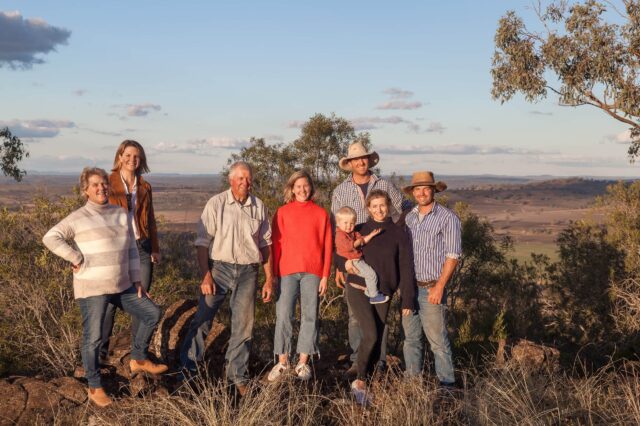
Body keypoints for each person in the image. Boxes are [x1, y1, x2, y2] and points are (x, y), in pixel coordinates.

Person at [42, 167, 167, 408]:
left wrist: (137, 279)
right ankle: (94, 385)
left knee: (152, 312)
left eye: (104, 184)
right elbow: (51, 237)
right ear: (85, 190)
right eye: (95, 185)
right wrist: (75, 257)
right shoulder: (78, 217)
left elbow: (132, 248)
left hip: (122, 284)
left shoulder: (121, 214)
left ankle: (138, 358)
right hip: (93, 287)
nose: (101, 188)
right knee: (94, 337)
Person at [178, 161, 273, 395]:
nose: (245, 182)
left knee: (243, 326)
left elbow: (266, 244)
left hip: (249, 271)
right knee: (203, 318)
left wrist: (269, 278)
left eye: (248, 178)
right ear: (231, 181)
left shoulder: (258, 206)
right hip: (219, 269)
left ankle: (237, 376)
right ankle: (188, 371)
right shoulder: (216, 204)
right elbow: (202, 243)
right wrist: (206, 275)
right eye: (240, 178)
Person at [331, 141, 407, 372]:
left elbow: (404, 209)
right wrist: (340, 266)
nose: (361, 162)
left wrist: (396, 233)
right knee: (357, 316)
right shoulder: (340, 191)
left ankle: (380, 362)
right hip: (355, 260)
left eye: (364, 158)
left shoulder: (384, 184)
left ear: (369, 160)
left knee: (380, 318)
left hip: (380, 259)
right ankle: (358, 361)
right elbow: (337, 232)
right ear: (350, 163)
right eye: (356, 159)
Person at [336, 189, 414, 405]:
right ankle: (359, 381)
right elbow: (339, 252)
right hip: (358, 289)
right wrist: (345, 265)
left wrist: (407, 299)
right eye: (374, 206)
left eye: (383, 205)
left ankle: (366, 382)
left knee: (378, 337)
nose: (379, 209)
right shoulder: (359, 229)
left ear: (388, 206)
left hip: (384, 293)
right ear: (368, 208)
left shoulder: (399, 233)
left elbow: (406, 268)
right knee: (370, 333)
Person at [267, 171, 333, 382]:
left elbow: (328, 246)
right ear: (291, 189)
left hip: (313, 271)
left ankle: (303, 363)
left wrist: (325, 276)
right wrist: (274, 275)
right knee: (284, 315)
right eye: (298, 186)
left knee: (310, 316)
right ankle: (283, 361)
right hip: (286, 271)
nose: (302, 190)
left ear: (311, 188)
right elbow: (275, 244)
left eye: (305, 186)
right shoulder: (282, 212)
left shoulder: (321, 214)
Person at [100, 139, 160, 363]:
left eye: (136, 156)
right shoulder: (107, 182)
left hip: (141, 247)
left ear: (141, 160)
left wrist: (155, 247)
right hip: (117, 249)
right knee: (108, 304)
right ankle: (101, 355)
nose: (132, 160)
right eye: (128, 155)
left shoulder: (145, 186)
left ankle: (138, 356)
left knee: (140, 300)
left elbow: (151, 219)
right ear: (119, 157)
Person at [400, 171, 461, 387]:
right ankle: (412, 383)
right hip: (409, 289)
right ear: (413, 192)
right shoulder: (408, 217)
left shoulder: (447, 218)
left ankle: (447, 386)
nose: (422, 193)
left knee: (438, 342)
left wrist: (439, 287)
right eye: (418, 189)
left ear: (434, 191)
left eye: (426, 188)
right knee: (411, 339)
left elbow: (453, 255)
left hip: (431, 288)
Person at [334, 206, 387, 304]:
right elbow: (349, 247)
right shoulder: (340, 235)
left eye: (352, 223)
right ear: (338, 223)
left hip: (357, 259)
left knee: (369, 274)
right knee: (371, 275)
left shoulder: (353, 233)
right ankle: (374, 296)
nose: (349, 226)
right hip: (353, 261)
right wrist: (358, 241)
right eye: (345, 223)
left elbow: (363, 240)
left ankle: (370, 291)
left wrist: (371, 235)